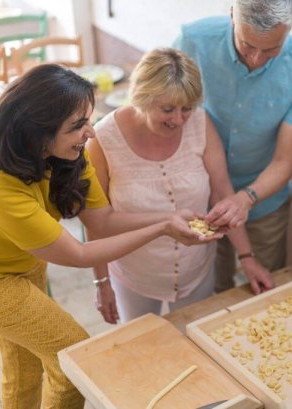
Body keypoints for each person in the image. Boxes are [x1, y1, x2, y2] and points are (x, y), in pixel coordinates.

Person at [0, 64, 221, 408]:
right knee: (73, 366)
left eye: (88, 120)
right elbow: (77, 255)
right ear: (37, 132)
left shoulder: (66, 153)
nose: (91, 133)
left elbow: (103, 220)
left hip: (23, 258)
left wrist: (169, 217)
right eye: (77, 126)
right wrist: (163, 229)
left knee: (24, 365)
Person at [88, 48, 274, 324]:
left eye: (186, 108)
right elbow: (96, 223)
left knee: (194, 343)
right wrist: (102, 282)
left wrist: (247, 257)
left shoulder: (200, 122)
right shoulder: (103, 139)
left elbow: (223, 192)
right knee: (141, 346)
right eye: (167, 109)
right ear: (142, 97)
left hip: (196, 271)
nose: (178, 119)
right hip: (134, 274)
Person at [173, 0, 292, 292]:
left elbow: (284, 162)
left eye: (271, 50)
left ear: (289, 28)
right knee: (207, 290)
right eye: (247, 45)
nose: (256, 59)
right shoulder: (192, 41)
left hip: (264, 201)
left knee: (265, 288)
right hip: (199, 196)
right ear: (232, 15)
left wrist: (246, 198)